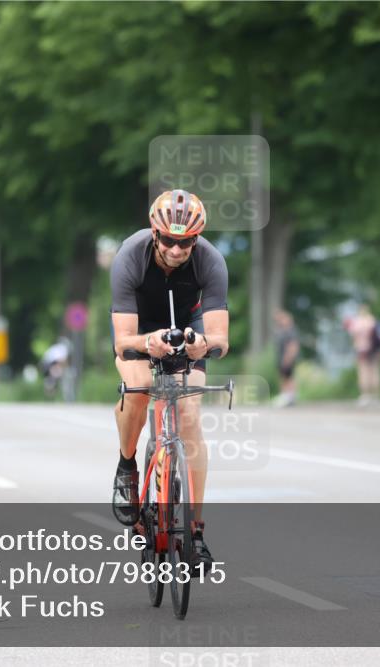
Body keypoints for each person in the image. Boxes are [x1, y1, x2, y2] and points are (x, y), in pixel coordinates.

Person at [110, 189, 229, 573]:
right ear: (154, 233)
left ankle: (195, 531)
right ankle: (128, 464)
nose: (177, 249)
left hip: (188, 330)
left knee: (190, 417)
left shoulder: (210, 262)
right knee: (140, 390)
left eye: (187, 242)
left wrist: (200, 345)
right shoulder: (130, 256)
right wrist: (150, 342)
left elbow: (220, 341)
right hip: (140, 331)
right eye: (169, 241)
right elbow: (122, 340)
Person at [344, 304, 380, 405]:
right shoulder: (372, 320)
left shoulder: (357, 322)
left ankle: (365, 395)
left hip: (361, 349)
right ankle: (376, 395)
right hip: (374, 349)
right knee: (375, 371)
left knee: (363, 372)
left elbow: (352, 333)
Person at [272, 309, 300, 407]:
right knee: (284, 377)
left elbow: (293, 346)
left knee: (289, 378)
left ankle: (290, 397)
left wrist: (288, 358)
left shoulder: (290, 331)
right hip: (281, 358)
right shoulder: (282, 331)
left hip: (287, 358)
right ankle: (286, 396)